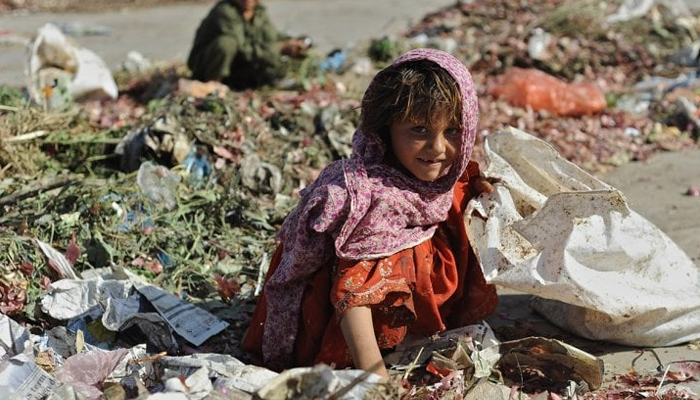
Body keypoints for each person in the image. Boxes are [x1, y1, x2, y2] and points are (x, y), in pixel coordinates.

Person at [242, 48, 498, 379]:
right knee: (400, 253)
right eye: (419, 130)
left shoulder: (440, 180)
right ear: (386, 129)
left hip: (377, 309)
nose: (438, 148)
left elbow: (463, 187)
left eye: (452, 131)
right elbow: (353, 298)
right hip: (331, 326)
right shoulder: (370, 198)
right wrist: (377, 380)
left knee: (462, 204)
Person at [187, 0, 309, 90]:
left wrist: (293, 43)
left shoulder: (259, 12)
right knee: (227, 43)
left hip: (237, 67)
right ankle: (212, 86)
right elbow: (244, 50)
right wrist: (281, 48)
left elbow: (272, 37)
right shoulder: (225, 11)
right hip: (205, 67)